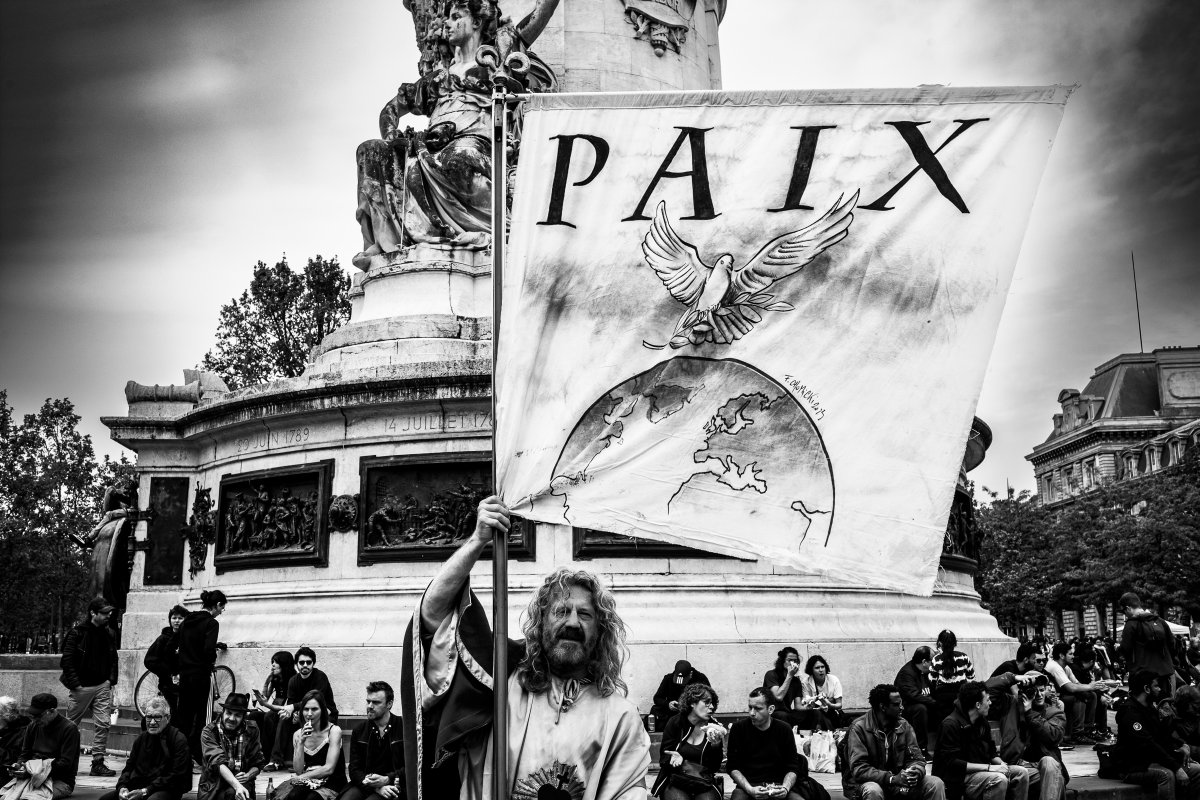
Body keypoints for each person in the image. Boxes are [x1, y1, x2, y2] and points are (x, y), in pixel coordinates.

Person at [399, 496, 649, 800]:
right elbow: (433, 617)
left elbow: (629, 792)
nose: (572, 623)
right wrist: (478, 540)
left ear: (600, 630)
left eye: (584, 614)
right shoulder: (496, 683)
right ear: (541, 623)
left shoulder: (621, 718)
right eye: (561, 611)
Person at [842, 684, 946, 800]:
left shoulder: (904, 725)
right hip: (865, 783)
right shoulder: (859, 728)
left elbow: (917, 759)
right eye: (896, 705)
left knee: (935, 783)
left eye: (901, 703)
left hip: (899, 782)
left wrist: (914, 772)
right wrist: (891, 778)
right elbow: (859, 769)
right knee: (873, 790)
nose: (902, 707)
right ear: (883, 707)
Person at [932, 681, 1029, 800]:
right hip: (958, 778)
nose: (990, 703)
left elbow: (992, 753)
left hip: (981, 772)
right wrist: (989, 768)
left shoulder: (982, 723)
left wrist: (1002, 765)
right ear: (978, 705)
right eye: (987, 700)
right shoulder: (950, 724)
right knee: (998, 779)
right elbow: (953, 763)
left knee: (1021, 772)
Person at [1114, 670, 1198, 800]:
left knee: (1196, 769)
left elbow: (1162, 736)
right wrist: (1176, 767)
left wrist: (1181, 746)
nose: (1159, 689)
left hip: (1151, 761)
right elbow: (1148, 744)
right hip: (1133, 766)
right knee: (1166, 774)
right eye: (1156, 686)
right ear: (1147, 689)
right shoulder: (1129, 712)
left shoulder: (1149, 708)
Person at [59, 596, 118, 776]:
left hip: (102, 685)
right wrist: (76, 684)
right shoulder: (78, 632)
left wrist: (110, 681)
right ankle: (64, 762)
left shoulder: (109, 633)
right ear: (93, 613)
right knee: (70, 725)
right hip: (81, 687)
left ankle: (98, 763)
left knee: (103, 724)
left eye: (109, 612)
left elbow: (113, 658)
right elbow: (66, 660)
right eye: (104, 613)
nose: (108, 615)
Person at [986, 672, 1066, 800]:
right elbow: (987, 691)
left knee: (1049, 761)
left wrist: (1029, 712)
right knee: (1022, 772)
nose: (1039, 695)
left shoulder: (1054, 712)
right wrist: (1012, 678)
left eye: (1042, 690)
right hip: (1017, 765)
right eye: (1034, 691)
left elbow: (1053, 736)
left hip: (1044, 768)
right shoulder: (1011, 704)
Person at [98, 697, 191, 800]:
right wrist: (122, 787)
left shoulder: (178, 740)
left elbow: (176, 776)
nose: (152, 722)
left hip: (167, 788)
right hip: (139, 786)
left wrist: (146, 791)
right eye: (149, 717)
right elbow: (129, 768)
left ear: (167, 718)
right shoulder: (141, 739)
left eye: (157, 717)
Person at [726, 688, 806, 800]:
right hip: (748, 787)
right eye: (750, 707)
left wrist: (785, 788)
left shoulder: (784, 729)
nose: (752, 713)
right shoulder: (738, 728)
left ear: (771, 709)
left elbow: (793, 766)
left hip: (778, 785)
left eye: (758, 709)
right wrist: (750, 789)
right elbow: (732, 767)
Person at [177, 590, 228, 762]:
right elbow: (208, 649)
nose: (221, 612)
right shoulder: (211, 623)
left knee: (184, 716)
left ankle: (181, 755)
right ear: (218, 605)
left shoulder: (186, 622)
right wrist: (210, 661)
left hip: (185, 675)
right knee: (203, 719)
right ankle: (200, 755)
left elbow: (177, 645)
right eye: (222, 608)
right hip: (201, 675)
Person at [652, 683, 726, 800]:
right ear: (692, 703)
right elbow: (663, 759)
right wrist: (675, 758)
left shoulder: (714, 729)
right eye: (706, 702)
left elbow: (714, 767)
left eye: (712, 703)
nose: (711, 706)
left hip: (702, 781)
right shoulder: (676, 723)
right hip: (676, 779)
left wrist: (715, 746)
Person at [340, 681, 404, 800]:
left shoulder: (403, 728)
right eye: (368, 701)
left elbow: (412, 766)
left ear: (389, 704)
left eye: (376, 702)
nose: (369, 706)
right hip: (365, 784)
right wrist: (376, 788)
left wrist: (387, 779)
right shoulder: (359, 730)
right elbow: (354, 769)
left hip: (394, 784)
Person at [276, 647, 339, 763]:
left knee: (308, 718)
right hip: (304, 713)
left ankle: (306, 760)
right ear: (296, 664)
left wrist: (295, 709)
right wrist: (294, 713)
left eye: (308, 662)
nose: (305, 665)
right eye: (301, 662)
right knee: (283, 717)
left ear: (313, 663)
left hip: (325, 712)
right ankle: (276, 760)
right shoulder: (293, 681)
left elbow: (316, 700)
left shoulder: (320, 677)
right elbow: (290, 702)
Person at [198, 693, 265, 800]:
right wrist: (237, 786)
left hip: (242, 782)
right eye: (229, 713)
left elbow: (258, 763)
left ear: (243, 717)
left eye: (238, 715)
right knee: (231, 793)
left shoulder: (252, 730)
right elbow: (217, 762)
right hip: (214, 785)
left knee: (237, 794)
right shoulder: (209, 732)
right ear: (222, 712)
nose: (232, 718)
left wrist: (248, 775)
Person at [17, 693, 80, 799]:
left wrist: (33, 770)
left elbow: (65, 764)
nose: (35, 719)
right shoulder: (33, 726)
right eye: (33, 716)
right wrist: (19, 766)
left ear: (51, 711)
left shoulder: (69, 728)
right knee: (7, 795)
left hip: (60, 780)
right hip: (33, 775)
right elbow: (25, 754)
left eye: (38, 716)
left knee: (31, 798)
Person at [1041, 643, 1105, 744]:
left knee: (1092, 695)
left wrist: (1094, 687)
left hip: (1062, 694)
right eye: (1070, 654)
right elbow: (1071, 688)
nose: (1073, 656)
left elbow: (1077, 683)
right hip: (1054, 696)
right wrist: (1090, 686)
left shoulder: (1066, 667)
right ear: (1062, 656)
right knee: (1079, 697)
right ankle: (1078, 733)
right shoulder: (1055, 667)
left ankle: (1088, 730)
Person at [288, 690, 347, 800]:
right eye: (306, 709)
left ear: (322, 711)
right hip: (309, 781)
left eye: (314, 709)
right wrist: (300, 742)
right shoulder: (297, 734)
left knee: (312, 799)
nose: (309, 714)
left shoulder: (334, 731)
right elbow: (298, 770)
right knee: (293, 796)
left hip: (332, 782)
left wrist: (302, 777)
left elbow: (329, 768)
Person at [1119, 593, 1178, 696]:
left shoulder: (1130, 624)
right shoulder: (1160, 621)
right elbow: (1172, 645)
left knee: (1142, 708)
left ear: (1128, 608)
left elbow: (1125, 649)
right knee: (1166, 705)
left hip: (1141, 676)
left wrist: (1118, 649)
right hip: (1165, 672)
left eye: (1124, 611)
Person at [248, 650, 295, 771]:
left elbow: (287, 705)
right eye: (272, 662)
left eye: (276, 662)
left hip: (286, 711)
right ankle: (255, 756)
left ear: (284, 664)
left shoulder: (293, 680)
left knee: (269, 716)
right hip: (273, 710)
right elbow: (266, 698)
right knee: (254, 715)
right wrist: (267, 681)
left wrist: (269, 706)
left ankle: (273, 759)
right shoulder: (275, 679)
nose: (272, 665)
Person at [144, 605, 188, 716]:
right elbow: (149, 660)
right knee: (170, 714)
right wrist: (168, 673)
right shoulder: (163, 639)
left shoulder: (188, 638)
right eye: (174, 618)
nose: (177, 621)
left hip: (186, 684)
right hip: (168, 685)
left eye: (180, 618)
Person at [895, 647, 938, 754]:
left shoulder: (927, 672)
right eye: (932, 662)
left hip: (925, 706)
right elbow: (913, 696)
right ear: (924, 662)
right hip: (907, 709)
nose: (934, 665)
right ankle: (921, 749)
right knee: (920, 709)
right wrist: (934, 702)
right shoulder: (907, 673)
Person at [650, 660, 712, 732]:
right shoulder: (669, 678)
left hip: (693, 712)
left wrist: (693, 705)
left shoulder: (701, 679)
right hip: (673, 713)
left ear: (691, 674)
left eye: (684, 681)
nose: (681, 684)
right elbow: (657, 698)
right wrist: (668, 704)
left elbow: (710, 699)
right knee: (655, 709)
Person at [931, 632, 975, 728]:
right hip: (961, 697)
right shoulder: (964, 657)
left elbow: (932, 681)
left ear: (940, 643)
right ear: (955, 643)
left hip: (943, 701)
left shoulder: (936, 660)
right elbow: (971, 677)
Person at [764, 647, 808, 729]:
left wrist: (811, 706)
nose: (793, 663)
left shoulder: (796, 681)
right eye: (790, 660)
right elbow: (778, 696)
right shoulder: (771, 674)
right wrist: (790, 676)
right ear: (782, 661)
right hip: (773, 712)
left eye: (795, 661)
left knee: (813, 713)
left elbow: (798, 706)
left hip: (788, 712)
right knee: (782, 715)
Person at [800, 655, 847, 730]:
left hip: (831, 712)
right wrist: (816, 701)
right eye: (817, 668)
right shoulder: (806, 682)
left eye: (822, 667)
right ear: (811, 670)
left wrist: (829, 704)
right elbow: (806, 702)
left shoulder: (834, 680)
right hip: (813, 714)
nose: (821, 670)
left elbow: (839, 704)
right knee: (817, 714)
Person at [0, 695, 32, 785]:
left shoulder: (23, 730)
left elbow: (13, 759)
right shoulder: (5, 727)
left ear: (6, 716)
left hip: (11, 776)